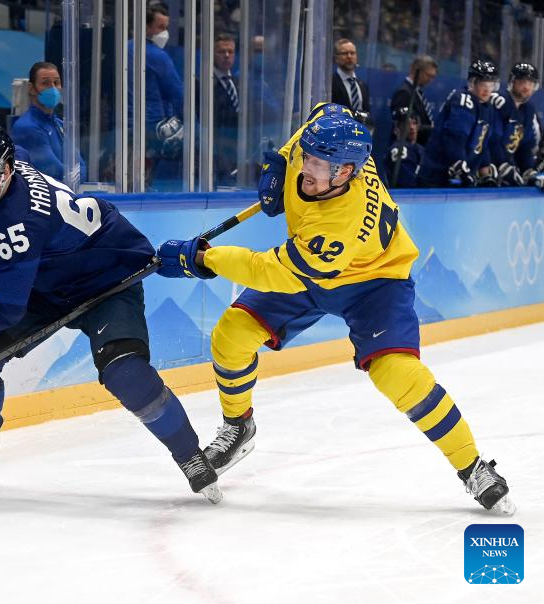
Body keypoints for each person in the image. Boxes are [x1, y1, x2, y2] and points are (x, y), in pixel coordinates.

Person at [154, 103, 514, 514]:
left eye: (318, 164)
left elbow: (270, 271)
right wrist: (280, 161)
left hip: (374, 283)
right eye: (306, 156)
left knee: (399, 375)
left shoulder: (340, 224)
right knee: (231, 335)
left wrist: (204, 259)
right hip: (312, 269)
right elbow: (327, 110)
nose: (307, 168)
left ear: (345, 172)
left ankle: (472, 467)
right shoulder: (327, 144)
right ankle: (238, 426)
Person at [0, 124, 221, 499]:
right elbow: (15, 162)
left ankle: (190, 456)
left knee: (125, 372)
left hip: (108, 279)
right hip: (50, 283)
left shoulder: (18, 224)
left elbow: (5, 306)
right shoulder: (12, 170)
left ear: (4, 170)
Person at [417, 59, 500, 187]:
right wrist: (459, 164)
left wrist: (485, 174)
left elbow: (481, 144)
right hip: (437, 175)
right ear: (472, 83)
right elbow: (455, 136)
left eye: (491, 85)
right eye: (483, 84)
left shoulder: (487, 107)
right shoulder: (463, 100)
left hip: (458, 175)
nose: (487, 90)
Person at [129, 3, 184, 186]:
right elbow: (177, 93)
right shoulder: (157, 56)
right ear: (145, 27)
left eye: (166, 27)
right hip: (153, 127)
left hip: (127, 124)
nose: (164, 33)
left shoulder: (126, 48)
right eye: (160, 27)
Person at [10, 61, 86, 184]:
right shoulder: (27, 127)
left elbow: (81, 165)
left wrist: (75, 176)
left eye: (56, 82)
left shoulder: (58, 124)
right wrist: (74, 176)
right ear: (31, 88)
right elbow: (55, 172)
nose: (53, 88)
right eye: (45, 83)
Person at [487, 63, 542, 187]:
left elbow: (525, 145)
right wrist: (502, 165)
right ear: (512, 82)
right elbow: (492, 140)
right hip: (486, 165)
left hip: (506, 164)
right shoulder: (500, 101)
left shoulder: (528, 108)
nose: (527, 87)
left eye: (531, 83)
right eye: (522, 82)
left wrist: (527, 169)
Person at [389, 55, 438, 146]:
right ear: (416, 70)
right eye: (428, 75)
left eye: (433, 77)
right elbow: (403, 124)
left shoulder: (417, 92)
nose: (430, 80)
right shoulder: (404, 92)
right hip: (405, 148)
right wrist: (432, 128)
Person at [213, 33, 240, 186]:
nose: (227, 55)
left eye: (230, 51)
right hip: (216, 151)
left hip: (236, 148)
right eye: (221, 51)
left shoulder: (238, 82)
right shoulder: (201, 83)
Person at [330, 39, 372, 126]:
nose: (349, 56)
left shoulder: (363, 86)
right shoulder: (330, 84)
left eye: (352, 53)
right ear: (336, 58)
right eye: (345, 53)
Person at [383, 106, 424, 188]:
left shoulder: (420, 149)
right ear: (397, 128)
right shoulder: (398, 149)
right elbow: (406, 184)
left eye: (414, 123)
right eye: (406, 124)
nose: (412, 127)